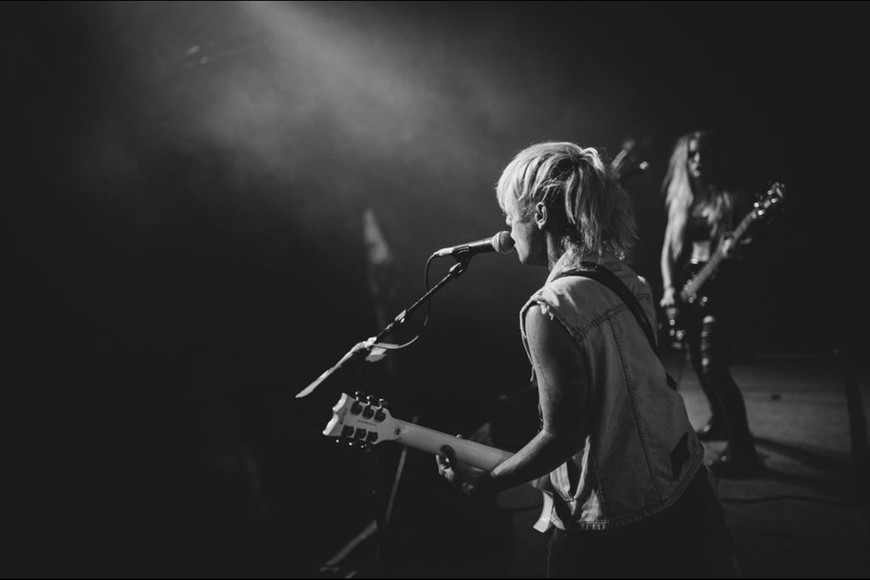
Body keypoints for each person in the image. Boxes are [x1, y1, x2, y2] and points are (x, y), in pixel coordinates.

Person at [436, 142, 738, 577]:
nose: (506, 225)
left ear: (539, 214)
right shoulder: (625, 277)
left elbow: (563, 436)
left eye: (510, 212)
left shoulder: (548, 309)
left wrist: (489, 482)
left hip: (614, 522)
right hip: (686, 486)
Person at [660, 130, 763, 478]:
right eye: (692, 154)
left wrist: (737, 250)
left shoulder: (733, 198)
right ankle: (720, 420)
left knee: (714, 366)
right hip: (692, 289)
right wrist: (671, 289)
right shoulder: (681, 199)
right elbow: (669, 251)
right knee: (695, 361)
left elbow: (751, 249)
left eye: (705, 153)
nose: (699, 160)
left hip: (725, 289)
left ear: (719, 159)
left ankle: (743, 448)